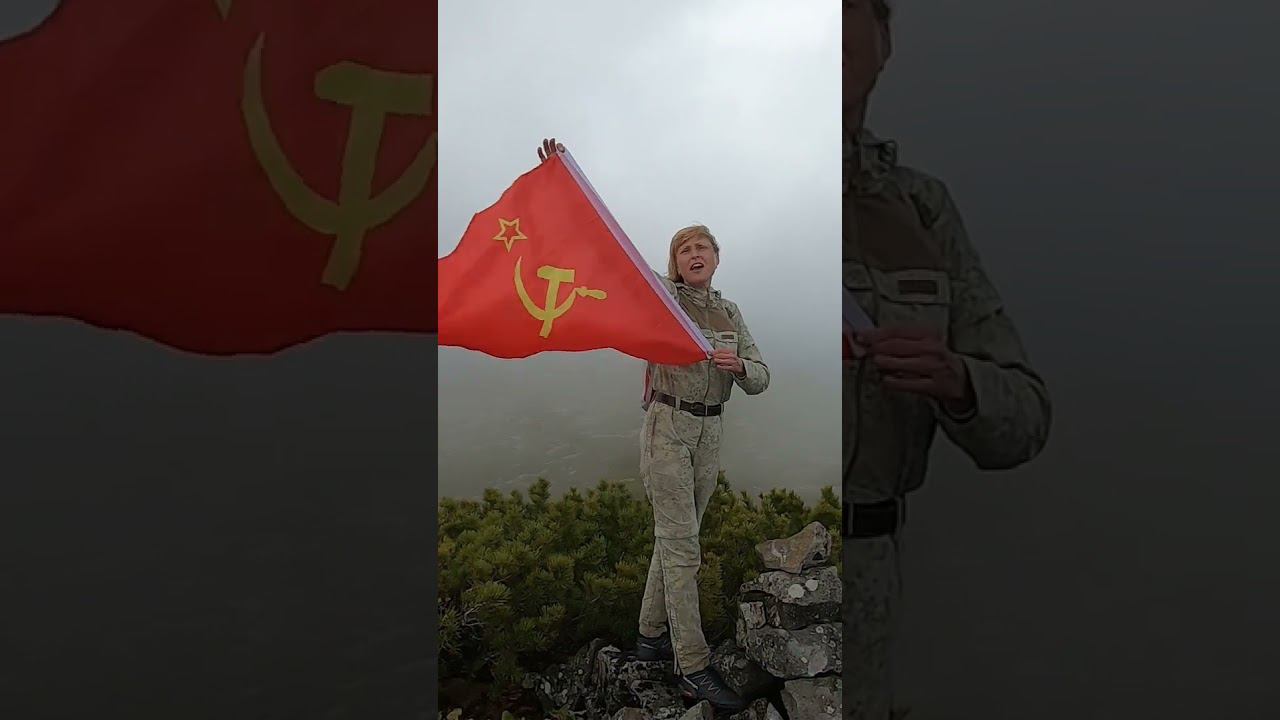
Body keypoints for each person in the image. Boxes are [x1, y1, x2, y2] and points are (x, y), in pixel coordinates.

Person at [842, 2, 1053, 719]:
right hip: (746, 559)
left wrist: (959, 382)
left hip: (867, 583)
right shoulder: (733, 200)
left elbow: (1025, 420)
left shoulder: (922, 209)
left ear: (884, 38)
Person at [536, 138, 769, 712]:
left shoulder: (730, 312)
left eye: (702, 246)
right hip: (668, 426)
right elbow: (604, 259)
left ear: (716, 257)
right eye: (684, 248)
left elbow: (762, 376)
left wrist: (740, 366)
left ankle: (647, 638)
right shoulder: (661, 298)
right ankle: (692, 665)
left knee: (675, 540)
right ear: (674, 262)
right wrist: (563, 187)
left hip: (710, 432)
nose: (694, 253)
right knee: (683, 547)